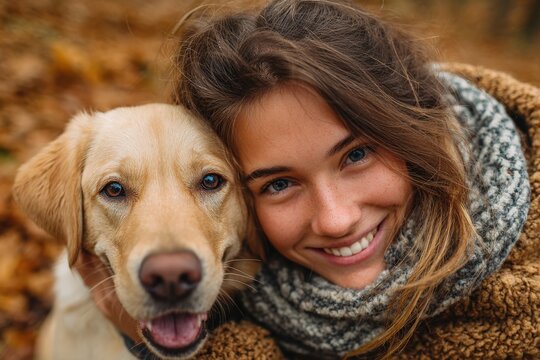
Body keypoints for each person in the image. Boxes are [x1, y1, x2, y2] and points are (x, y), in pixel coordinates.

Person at [76, 0, 540, 358]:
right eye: (277, 184)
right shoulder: (241, 291)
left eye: (356, 155)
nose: (336, 220)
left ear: (413, 125)